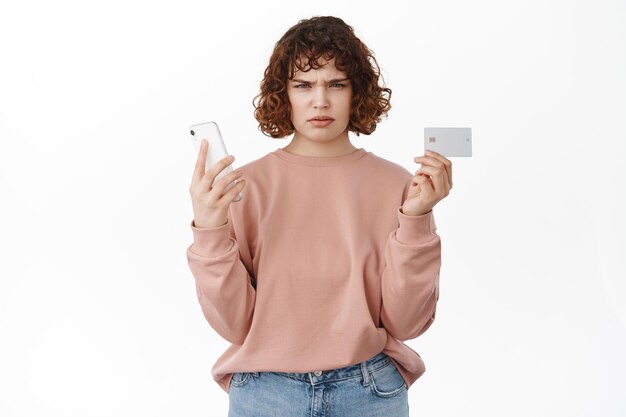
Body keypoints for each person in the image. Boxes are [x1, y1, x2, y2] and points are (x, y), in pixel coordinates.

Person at [186, 15, 452, 417]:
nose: (321, 101)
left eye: (336, 84)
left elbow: (406, 322)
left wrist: (417, 218)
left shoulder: (399, 185)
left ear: (356, 92)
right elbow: (234, 325)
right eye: (304, 85)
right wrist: (210, 229)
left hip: (368, 391)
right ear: (284, 93)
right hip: (265, 392)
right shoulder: (244, 187)